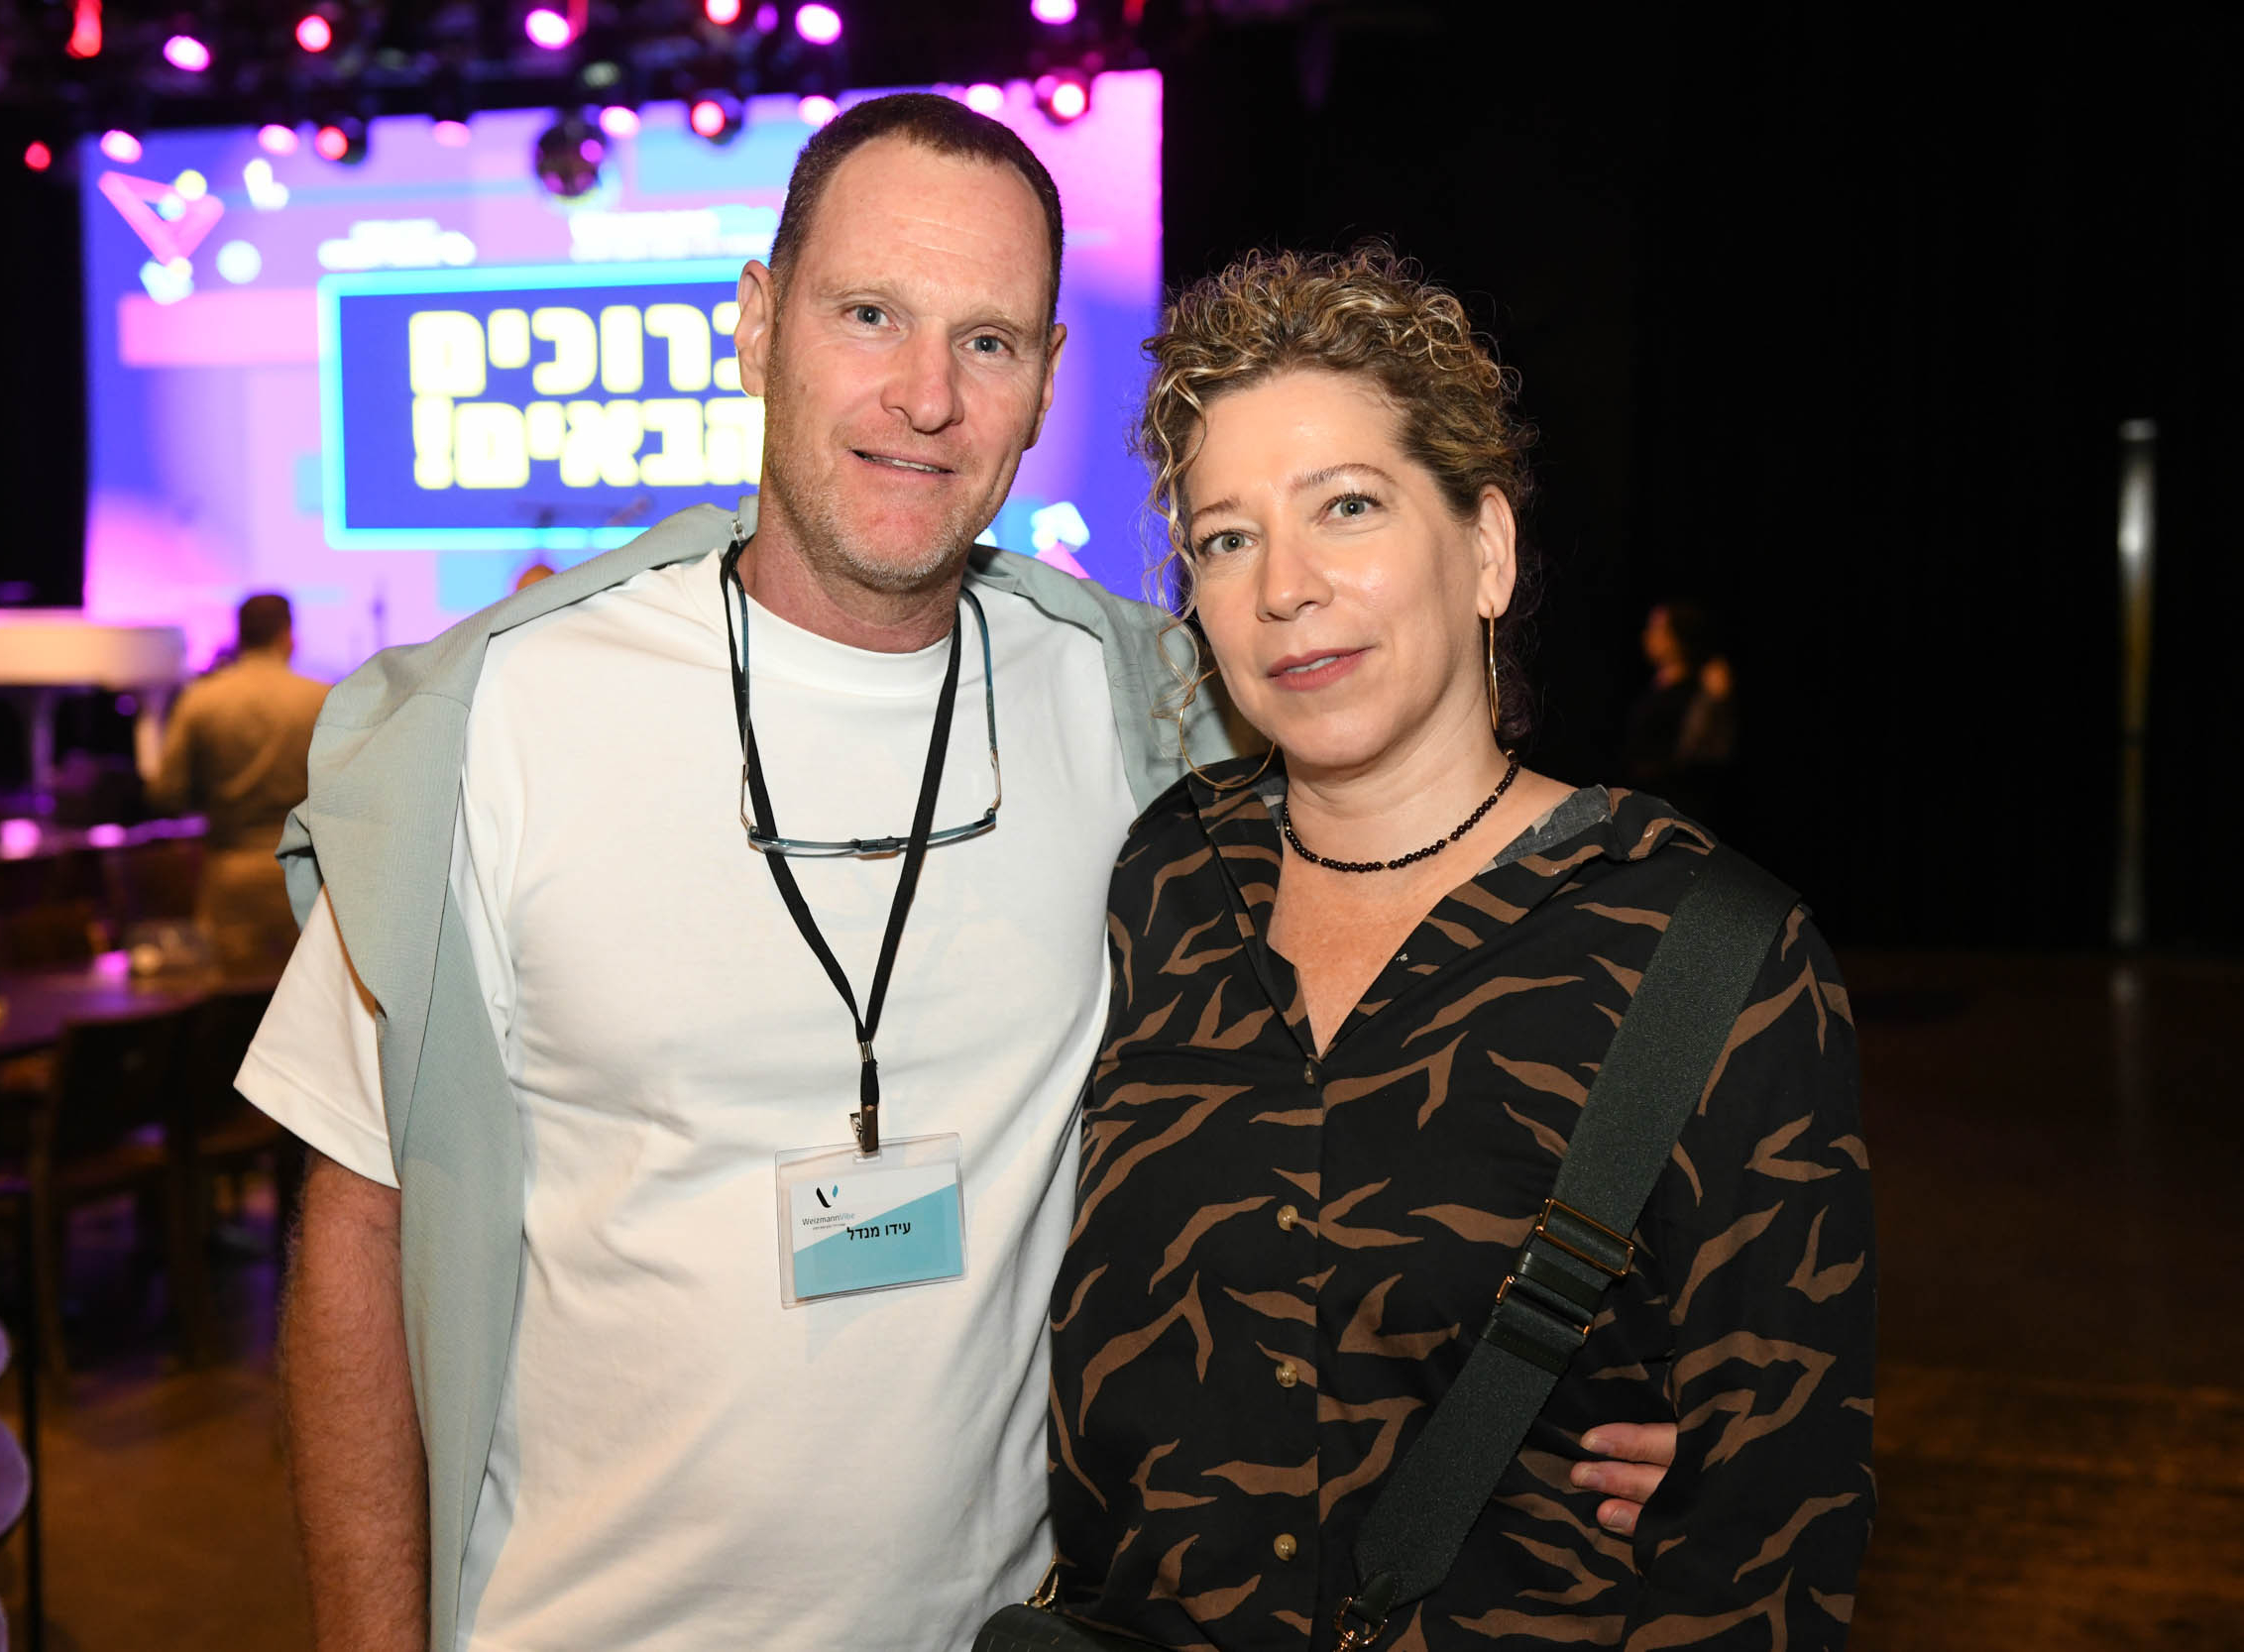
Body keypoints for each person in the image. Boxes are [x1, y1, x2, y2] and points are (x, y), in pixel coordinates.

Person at [236, 101, 1670, 1652]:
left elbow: (1384, 1026)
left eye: (986, 342)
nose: (924, 396)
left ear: (1045, 381)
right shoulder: (496, 726)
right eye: (869, 315)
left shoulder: (1142, 715)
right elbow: (356, 1227)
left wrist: (1605, 1369)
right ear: (758, 323)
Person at [1041, 249, 1874, 1648]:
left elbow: (1768, 1547)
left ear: (1486, 548)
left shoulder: (1713, 958)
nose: (1284, 587)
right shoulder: (1165, 883)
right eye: (1227, 538)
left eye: (1346, 507)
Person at [149, 592, 330, 975]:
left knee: (233, 996)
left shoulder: (201, 700)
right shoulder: (322, 699)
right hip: (306, 874)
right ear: (287, 636)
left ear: (240, 636)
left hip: (230, 876)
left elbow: (167, 792)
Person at [1622, 600, 1738, 824]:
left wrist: (1713, 701)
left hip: (1676, 810)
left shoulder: (1698, 693)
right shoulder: (1655, 688)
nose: (1648, 635)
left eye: (1658, 629)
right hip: (1643, 805)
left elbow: (1695, 752)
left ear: (1679, 637)